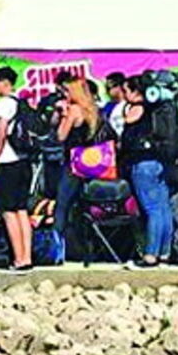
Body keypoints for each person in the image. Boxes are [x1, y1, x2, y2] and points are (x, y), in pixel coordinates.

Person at [120, 76, 173, 268]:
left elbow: (127, 137)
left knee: (152, 209)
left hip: (142, 164)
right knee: (164, 208)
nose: (123, 95)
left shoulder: (137, 109)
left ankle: (150, 254)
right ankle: (165, 253)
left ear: (136, 92)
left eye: (126, 90)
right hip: (159, 162)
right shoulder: (157, 109)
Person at [0, 67, 34, 271]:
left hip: (7, 161)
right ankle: (27, 257)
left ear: (5, 83)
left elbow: (2, 132)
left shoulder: (5, 103)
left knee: (8, 211)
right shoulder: (21, 103)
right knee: (21, 209)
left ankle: (18, 258)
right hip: (24, 161)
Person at [54, 77, 101, 261]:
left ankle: (57, 249)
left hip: (72, 164)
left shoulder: (74, 110)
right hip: (87, 164)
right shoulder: (92, 109)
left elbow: (60, 135)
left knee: (62, 206)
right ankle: (85, 248)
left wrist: (64, 115)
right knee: (81, 207)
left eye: (67, 91)